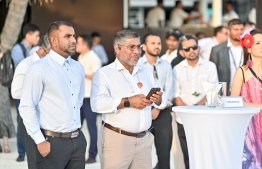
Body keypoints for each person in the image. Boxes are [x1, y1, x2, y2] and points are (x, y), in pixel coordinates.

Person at [90, 29, 166, 169]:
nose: (137, 51)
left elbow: (163, 99)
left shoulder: (145, 72)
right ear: (117, 48)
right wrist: (128, 101)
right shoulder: (104, 74)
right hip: (116, 141)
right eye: (131, 47)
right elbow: (97, 104)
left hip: (144, 141)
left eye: (139, 47)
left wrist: (158, 100)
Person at [19, 21, 87, 169]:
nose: (74, 40)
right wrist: (39, 140)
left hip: (77, 142)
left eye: (74, 36)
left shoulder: (78, 68)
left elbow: (78, 100)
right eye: (68, 36)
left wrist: (79, 139)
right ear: (54, 41)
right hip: (50, 142)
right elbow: (26, 106)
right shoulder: (38, 69)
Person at [173, 34, 218, 169]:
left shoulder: (210, 67)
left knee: (206, 155)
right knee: (188, 156)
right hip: (183, 119)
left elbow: (213, 91)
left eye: (193, 47)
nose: (191, 51)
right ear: (182, 52)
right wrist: (188, 112)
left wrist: (196, 108)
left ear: (198, 48)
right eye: (187, 49)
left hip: (204, 118)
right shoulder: (177, 69)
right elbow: (175, 94)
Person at [11, 34, 50, 168]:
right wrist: (36, 91)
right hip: (30, 117)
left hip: (50, 120)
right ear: (41, 49)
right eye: (49, 53)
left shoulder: (53, 65)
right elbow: (15, 92)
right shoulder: (26, 64)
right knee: (35, 162)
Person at [138, 33, 173, 169]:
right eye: (153, 43)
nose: (157, 46)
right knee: (141, 156)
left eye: (158, 43)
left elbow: (169, 90)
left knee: (164, 155)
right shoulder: (138, 65)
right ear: (144, 47)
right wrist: (150, 108)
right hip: (142, 113)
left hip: (162, 114)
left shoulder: (166, 65)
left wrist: (158, 108)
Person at [231, 29, 262, 169]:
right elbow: (233, 101)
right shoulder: (242, 72)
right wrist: (258, 106)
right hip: (250, 126)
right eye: (258, 43)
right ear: (249, 48)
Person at [11, 23, 40, 162]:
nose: (38, 38)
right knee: (22, 121)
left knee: (34, 120)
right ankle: (21, 152)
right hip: (21, 92)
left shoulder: (34, 49)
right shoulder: (18, 48)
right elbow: (22, 67)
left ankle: (33, 148)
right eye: (36, 35)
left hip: (34, 91)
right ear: (28, 35)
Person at [76, 34, 101, 164]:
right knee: (75, 126)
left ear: (85, 44)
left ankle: (92, 154)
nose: (76, 45)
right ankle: (75, 153)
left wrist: (81, 73)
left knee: (91, 127)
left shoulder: (93, 57)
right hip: (80, 97)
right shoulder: (81, 56)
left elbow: (97, 76)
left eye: (78, 43)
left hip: (89, 98)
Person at [210, 19, 244, 95]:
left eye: (241, 29)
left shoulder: (248, 49)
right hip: (225, 93)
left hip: (245, 93)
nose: (239, 32)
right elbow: (212, 74)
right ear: (228, 31)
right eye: (236, 29)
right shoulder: (217, 50)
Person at [0, 42, 16, 154]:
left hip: (3, 87)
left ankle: (6, 144)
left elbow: (10, 73)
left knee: (5, 114)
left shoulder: (6, 56)